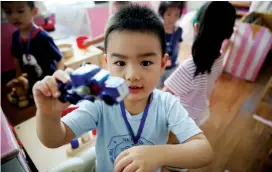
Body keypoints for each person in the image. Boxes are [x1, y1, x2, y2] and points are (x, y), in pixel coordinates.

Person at [34, 5, 213, 172]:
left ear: (162, 64)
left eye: (145, 62)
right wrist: (48, 114)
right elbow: (54, 139)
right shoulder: (98, 103)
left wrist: (159, 155)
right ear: (107, 64)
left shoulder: (167, 104)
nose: (132, 75)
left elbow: (204, 151)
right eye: (120, 62)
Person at [163, 1, 236, 126]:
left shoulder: (190, 67)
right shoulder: (220, 57)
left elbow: (163, 96)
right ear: (228, 33)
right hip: (198, 112)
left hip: (180, 118)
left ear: (196, 28)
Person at [2, 1, 63, 94]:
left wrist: (56, 79)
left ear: (34, 12)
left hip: (48, 84)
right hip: (31, 82)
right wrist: (18, 76)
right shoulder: (15, 36)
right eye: (8, 12)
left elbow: (60, 59)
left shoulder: (44, 37)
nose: (14, 16)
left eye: (20, 11)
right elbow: (17, 58)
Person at [157, 1, 184, 89]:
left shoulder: (179, 30)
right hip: (158, 67)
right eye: (169, 14)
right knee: (156, 89)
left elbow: (178, 45)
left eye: (176, 15)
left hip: (172, 67)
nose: (172, 19)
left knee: (168, 89)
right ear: (162, 13)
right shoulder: (157, 30)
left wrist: (175, 60)